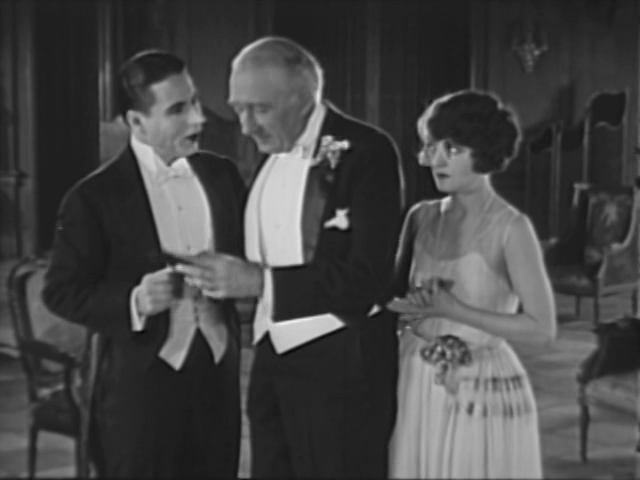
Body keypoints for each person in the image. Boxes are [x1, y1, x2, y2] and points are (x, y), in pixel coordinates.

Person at [177, 36, 405, 478]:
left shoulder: (366, 150)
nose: (246, 127)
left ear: (304, 97)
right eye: (238, 109)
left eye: (259, 109)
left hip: (342, 366)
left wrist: (259, 282)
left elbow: (371, 277)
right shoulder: (271, 156)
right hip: (271, 358)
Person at [42, 50, 246, 478]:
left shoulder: (223, 176)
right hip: (139, 390)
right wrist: (134, 300)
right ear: (136, 122)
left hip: (217, 377)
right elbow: (61, 292)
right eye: (178, 109)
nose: (198, 119)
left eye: (195, 102)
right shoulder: (92, 199)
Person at [387, 89, 556, 479]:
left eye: (453, 148)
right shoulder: (420, 217)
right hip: (415, 377)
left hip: (480, 384)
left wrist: (457, 311)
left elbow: (542, 329)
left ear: (483, 152)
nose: (437, 160)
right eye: (432, 147)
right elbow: (397, 298)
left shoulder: (511, 228)